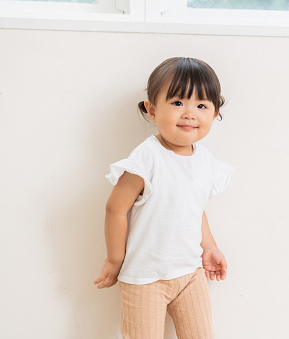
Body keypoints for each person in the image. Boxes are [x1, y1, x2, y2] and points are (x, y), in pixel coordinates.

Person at [93, 57, 235, 339]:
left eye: (202, 105)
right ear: (152, 109)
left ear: (215, 112)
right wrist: (114, 259)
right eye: (178, 103)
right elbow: (115, 210)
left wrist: (210, 246)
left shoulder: (206, 161)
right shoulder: (147, 158)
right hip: (145, 277)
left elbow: (196, 208)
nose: (190, 113)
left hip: (190, 272)